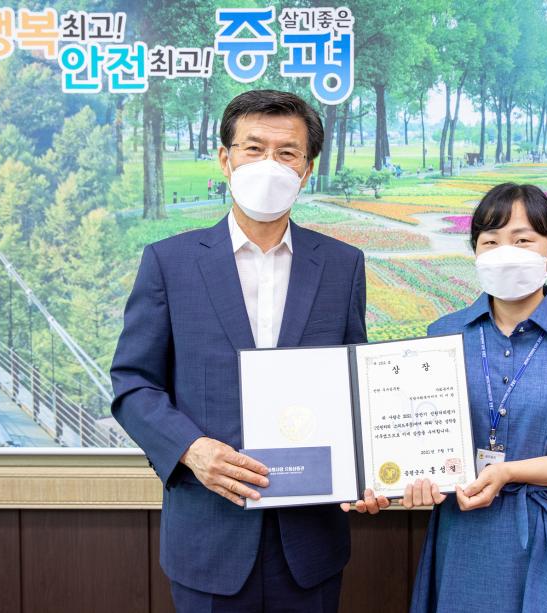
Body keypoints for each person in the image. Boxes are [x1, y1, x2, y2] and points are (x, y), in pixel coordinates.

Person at [110, 89, 378, 613]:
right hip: (209, 537)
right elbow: (134, 384)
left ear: (307, 170)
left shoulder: (342, 265)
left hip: (310, 543)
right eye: (254, 148)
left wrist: (371, 470)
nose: (269, 165)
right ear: (225, 158)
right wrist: (191, 450)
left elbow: (356, 384)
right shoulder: (170, 262)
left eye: (287, 152)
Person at [397, 183, 547, 612]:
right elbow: (417, 441)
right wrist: (411, 477)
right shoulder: (442, 335)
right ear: (475, 251)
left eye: (523, 240)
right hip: (464, 529)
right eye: (490, 241)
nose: (506, 252)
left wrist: (509, 472)